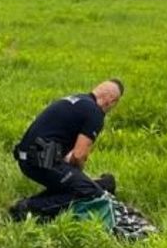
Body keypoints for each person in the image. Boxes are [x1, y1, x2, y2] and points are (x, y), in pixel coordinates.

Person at [11, 79, 124, 214]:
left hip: (28, 154)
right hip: (40, 158)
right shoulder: (95, 113)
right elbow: (78, 155)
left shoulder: (78, 100)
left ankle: (32, 203)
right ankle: (28, 208)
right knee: (89, 192)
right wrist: (78, 176)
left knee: (80, 184)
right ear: (111, 100)